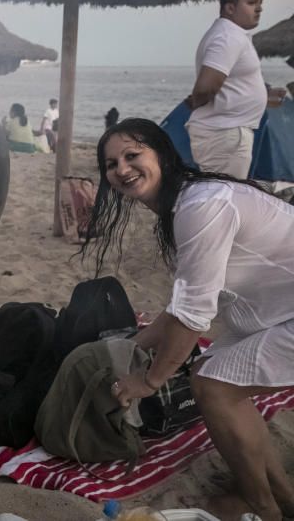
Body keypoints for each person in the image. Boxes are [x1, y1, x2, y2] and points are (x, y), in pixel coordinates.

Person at [83, 118, 294, 521]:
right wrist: (134, 345)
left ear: (161, 153)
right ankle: (281, 496)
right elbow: (183, 303)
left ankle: (260, 505)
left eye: (132, 155)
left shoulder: (201, 207)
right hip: (278, 310)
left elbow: (195, 317)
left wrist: (149, 381)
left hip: (286, 313)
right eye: (111, 165)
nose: (122, 169)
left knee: (212, 386)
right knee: (217, 378)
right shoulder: (185, 204)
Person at [185, 0, 266, 178]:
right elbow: (205, 87)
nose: (259, 9)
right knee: (224, 200)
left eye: (260, 3)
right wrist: (196, 101)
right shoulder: (227, 37)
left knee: (225, 197)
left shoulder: (230, 34)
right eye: (251, 3)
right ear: (230, 8)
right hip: (225, 134)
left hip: (227, 133)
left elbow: (225, 83)